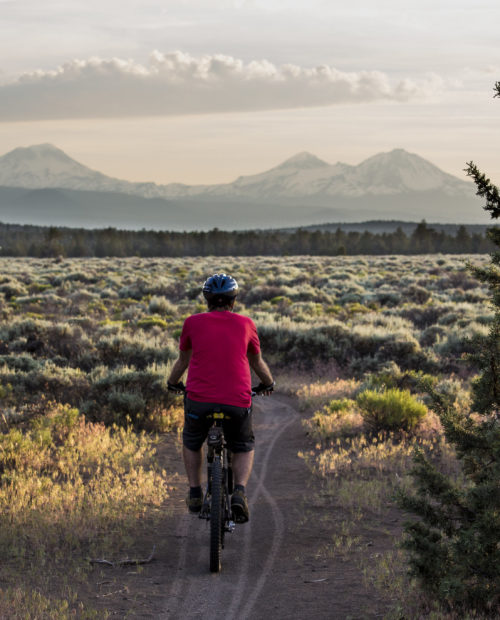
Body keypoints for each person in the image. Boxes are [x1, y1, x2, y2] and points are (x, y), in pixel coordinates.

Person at [167, 273, 274, 523]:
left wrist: (172, 383)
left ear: (207, 300)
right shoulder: (246, 324)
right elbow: (256, 362)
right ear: (233, 301)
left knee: (192, 441)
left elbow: (183, 360)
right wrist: (268, 383)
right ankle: (239, 492)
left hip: (199, 400)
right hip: (237, 401)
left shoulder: (192, 323)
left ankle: (194, 491)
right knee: (243, 445)